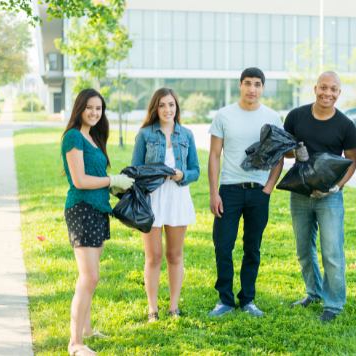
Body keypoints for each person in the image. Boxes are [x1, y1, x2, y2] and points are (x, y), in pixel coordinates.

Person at [62, 89, 134, 356]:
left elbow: (96, 175)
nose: (94, 113)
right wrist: (112, 180)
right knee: (90, 277)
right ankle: (75, 343)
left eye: (99, 109)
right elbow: (80, 180)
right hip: (81, 209)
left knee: (88, 278)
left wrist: (114, 187)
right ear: (79, 108)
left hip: (99, 210)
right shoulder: (73, 137)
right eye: (89, 108)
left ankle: (87, 330)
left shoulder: (93, 137)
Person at [207, 67, 284, 317]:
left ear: (263, 88)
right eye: (248, 83)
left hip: (258, 192)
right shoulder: (224, 115)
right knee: (222, 246)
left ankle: (248, 299)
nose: (252, 89)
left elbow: (279, 157)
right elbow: (214, 155)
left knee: (253, 247)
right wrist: (213, 193)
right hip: (228, 190)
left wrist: (268, 190)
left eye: (258, 84)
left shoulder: (272, 117)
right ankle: (225, 300)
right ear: (240, 85)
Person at [283, 71, 356, 322]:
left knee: (332, 251)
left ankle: (334, 304)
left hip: (330, 196)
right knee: (304, 248)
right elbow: (286, 153)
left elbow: (351, 162)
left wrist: (336, 188)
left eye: (333, 89)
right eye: (323, 88)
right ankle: (313, 293)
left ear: (339, 93)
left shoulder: (345, 124)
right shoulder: (296, 116)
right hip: (300, 192)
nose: (328, 93)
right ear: (315, 88)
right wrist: (296, 152)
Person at [131, 88, 200, 323]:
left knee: (174, 254)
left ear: (176, 107)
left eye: (171, 105)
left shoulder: (187, 135)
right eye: (161, 105)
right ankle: (152, 309)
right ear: (155, 108)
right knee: (153, 256)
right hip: (152, 200)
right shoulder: (144, 135)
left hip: (178, 198)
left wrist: (183, 175)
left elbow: (196, 171)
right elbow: (135, 172)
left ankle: (173, 307)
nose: (167, 110)